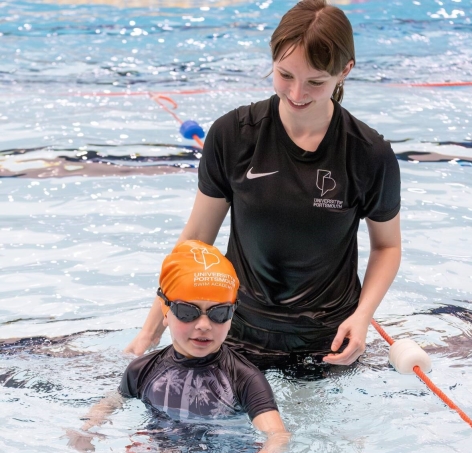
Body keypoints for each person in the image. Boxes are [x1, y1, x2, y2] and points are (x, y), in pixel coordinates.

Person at [126, 0, 401, 368]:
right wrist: (152, 327)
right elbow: (195, 240)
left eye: (316, 82)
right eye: (285, 75)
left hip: (327, 341)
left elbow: (387, 246)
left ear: (345, 71)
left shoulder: (368, 153)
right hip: (234, 331)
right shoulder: (234, 135)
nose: (297, 93)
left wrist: (362, 317)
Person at [68, 240, 289, 453]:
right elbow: (111, 403)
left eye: (219, 313)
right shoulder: (142, 370)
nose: (204, 325)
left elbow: (277, 433)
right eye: (187, 312)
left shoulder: (244, 377)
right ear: (166, 312)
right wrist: (87, 428)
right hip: (163, 452)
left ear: (232, 314)